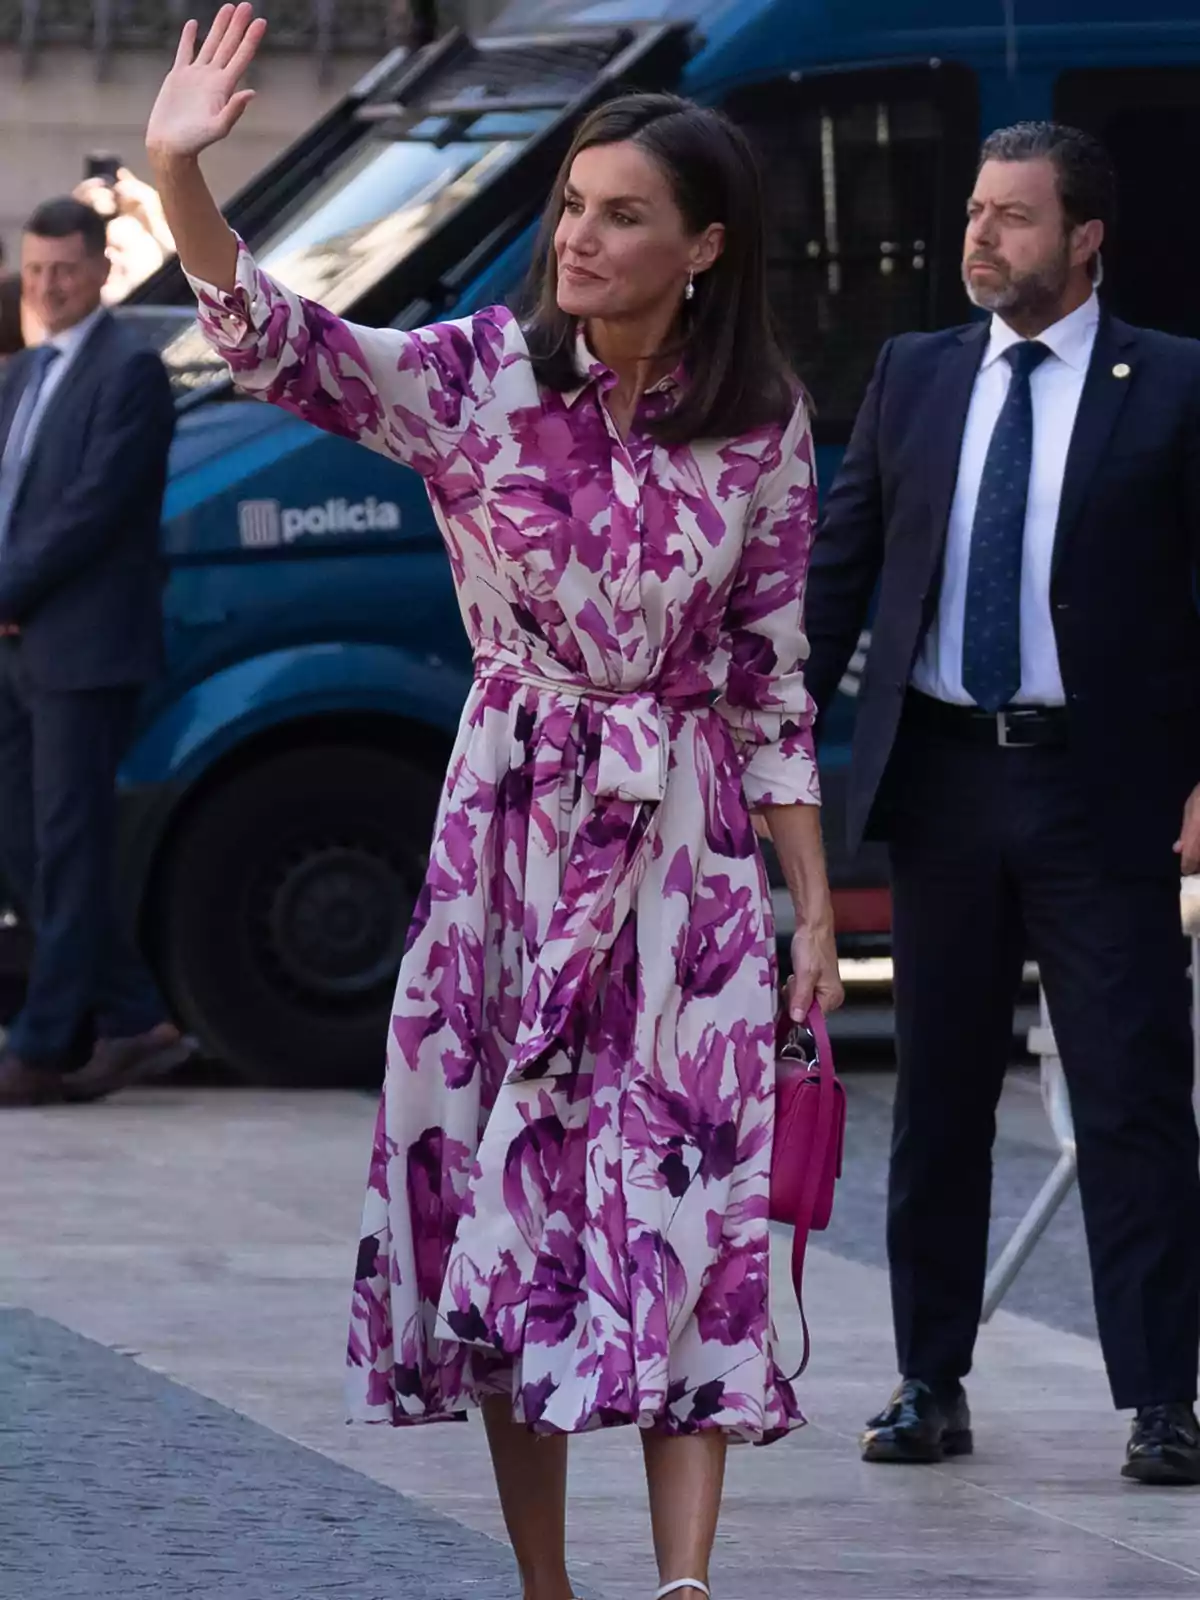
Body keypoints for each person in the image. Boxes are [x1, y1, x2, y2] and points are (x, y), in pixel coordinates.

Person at [146, 5, 843, 1595]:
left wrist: (811, 906)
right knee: (507, 1214)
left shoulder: (763, 429)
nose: (581, 237)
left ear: (702, 249)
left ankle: (684, 1588)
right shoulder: (474, 385)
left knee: (688, 1207)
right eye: (573, 206)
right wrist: (181, 177)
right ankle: (547, 1585)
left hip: (690, 858)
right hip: (508, 850)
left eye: (621, 215)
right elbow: (276, 339)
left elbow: (770, 677)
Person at [803, 119, 1200, 1486]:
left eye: (1012, 218)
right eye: (975, 212)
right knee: (940, 1096)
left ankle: (1164, 1400)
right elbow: (836, 576)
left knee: (1136, 1094)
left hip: (1106, 791)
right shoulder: (914, 377)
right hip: (944, 780)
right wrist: (768, 747)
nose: (979, 237)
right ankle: (930, 1381)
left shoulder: (1174, 386)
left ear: (1085, 238)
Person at [0, 197, 191, 1108]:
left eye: (64, 270)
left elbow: (94, 510)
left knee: (69, 846)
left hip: (83, 647)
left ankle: (41, 1048)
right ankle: (134, 1018)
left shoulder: (131, 372)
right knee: (22, 841)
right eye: (35, 271)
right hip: (18, 644)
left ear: (101, 269)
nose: (47, 286)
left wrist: (5, 591)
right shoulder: (26, 372)